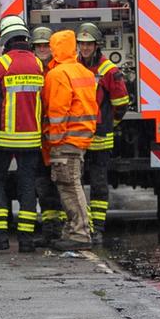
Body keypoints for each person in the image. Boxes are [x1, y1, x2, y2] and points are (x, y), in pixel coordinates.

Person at [0, 15, 45, 253]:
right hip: (31, 138)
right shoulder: (39, 64)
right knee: (27, 184)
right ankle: (26, 240)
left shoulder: (2, 63)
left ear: (6, 38)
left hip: (2, 137)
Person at [43, 28, 101, 250]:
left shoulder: (58, 74)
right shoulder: (83, 72)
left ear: (56, 49)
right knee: (72, 183)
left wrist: (53, 141)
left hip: (65, 141)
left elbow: (58, 110)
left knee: (69, 185)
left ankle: (80, 233)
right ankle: (74, 230)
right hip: (80, 138)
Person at [75, 23, 132, 235]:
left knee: (99, 183)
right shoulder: (74, 65)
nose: (85, 48)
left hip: (100, 136)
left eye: (89, 44)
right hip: (79, 134)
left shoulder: (108, 70)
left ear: (96, 45)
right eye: (82, 43)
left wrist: (110, 123)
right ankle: (81, 224)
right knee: (76, 182)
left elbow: (122, 102)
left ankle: (97, 226)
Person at [27, 25, 66, 244]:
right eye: (38, 46)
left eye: (46, 45)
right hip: (37, 136)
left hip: (57, 136)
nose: (42, 49)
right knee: (42, 184)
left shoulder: (59, 69)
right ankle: (52, 231)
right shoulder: (30, 68)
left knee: (63, 184)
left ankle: (66, 229)